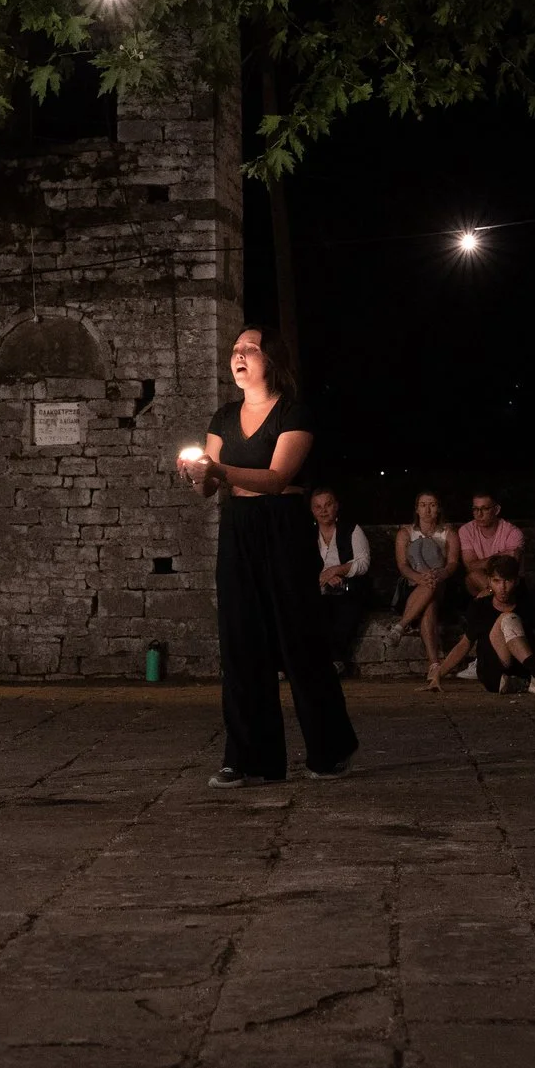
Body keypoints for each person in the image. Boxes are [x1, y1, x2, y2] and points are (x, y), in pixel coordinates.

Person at [178, 325, 358, 787]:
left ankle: (329, 750)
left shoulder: (293, 413)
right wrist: (195, 474)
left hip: (282, 527)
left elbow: (278, 479)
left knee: (299, 640)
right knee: (240, 642)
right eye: (235, 349)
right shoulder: (223, 416)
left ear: (271, 360)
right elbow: (208, 488)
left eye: (250, 349)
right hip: (238, 527)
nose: (239, 355)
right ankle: (246, 758)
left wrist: (218, 469)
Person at [429, 552, 535, 694]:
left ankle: (528, 681)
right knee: (508, 618)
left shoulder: (529, 604)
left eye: (508, 581)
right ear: (489, 581)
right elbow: (464, 644)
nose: (502, 588)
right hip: (494, 672)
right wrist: (439, 674)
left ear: (516, 581)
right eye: (497, 581)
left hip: (522, 669)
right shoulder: (480, 606)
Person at [392, 492, 462, 680]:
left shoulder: (448, 533)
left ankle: (401, 626)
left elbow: (452, 564)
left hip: (441, 586)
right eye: (423, 505)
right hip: (413, 587)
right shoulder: (405, 533)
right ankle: (434, 665)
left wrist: (440, 574)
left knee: (432, 586)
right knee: (429, 604)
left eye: (432, 505)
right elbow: (402, 566)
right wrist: (419, 577)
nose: (427, 510)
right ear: (417, 509)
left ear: (438, 508)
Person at [310, 488, 372, 677]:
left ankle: (336, 661)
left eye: (328, 505)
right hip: (318, 587)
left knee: (345, 608)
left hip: (348, 587)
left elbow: (363, 563)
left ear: (336, 506)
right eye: (318, 507)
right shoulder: (307, 534)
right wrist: (325, 577)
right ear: (312, 510)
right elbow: (300, 565)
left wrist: (337, 570)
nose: (323, 511)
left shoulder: (352, 530)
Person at [457, 491, 525, 597]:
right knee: (474, 576)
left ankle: (490, 600)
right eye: (475, 509)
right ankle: (495, 601)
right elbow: (470, 566)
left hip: (508, 582)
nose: (479, 514)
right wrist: (502, 555)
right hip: (481, 579)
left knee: (503, 581)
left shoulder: (512, 532)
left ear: (496, 510)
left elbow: (509, 570)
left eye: (485, 509)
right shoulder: (466, 530)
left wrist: (489, 589)